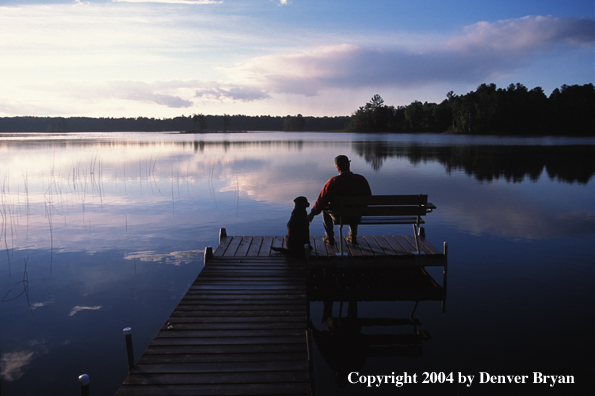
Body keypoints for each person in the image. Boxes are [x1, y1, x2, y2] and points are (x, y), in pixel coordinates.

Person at [307, 155, 371, 245]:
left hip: (339, 216)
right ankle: (352, 236)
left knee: (325, 209)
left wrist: (312, 213)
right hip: (356, 215)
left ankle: (329, 237)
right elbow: (368, 198)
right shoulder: (361, 179)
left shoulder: (333, 181)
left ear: (337, 167)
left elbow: (322, 199)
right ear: (349, 165)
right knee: (355, 208)